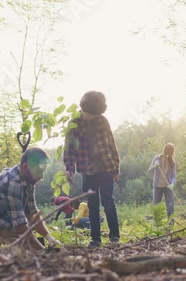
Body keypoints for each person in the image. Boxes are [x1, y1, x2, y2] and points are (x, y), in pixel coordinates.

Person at [63, 90, 121, 248]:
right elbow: (69, 147)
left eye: (96, 115)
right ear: (84, 108)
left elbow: (111, 145)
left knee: (108, 202)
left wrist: (116, 168)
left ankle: (114, 237)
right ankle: (95, 239)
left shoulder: (103, 121)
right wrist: (69, 168)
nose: (93, 118)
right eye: (90, 115)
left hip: (106, 168)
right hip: (87, 170)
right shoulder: (74, 122)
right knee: (92, 205)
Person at [148, 143, 176, 219]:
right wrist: (154, 166)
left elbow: (173, 176)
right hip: (157, 187)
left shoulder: (172, 162)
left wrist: (172, 184)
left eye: (171, 152)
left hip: (168, 187)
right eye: (168, 152)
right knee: (156, 207)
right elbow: (149, 170)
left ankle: (170, 225)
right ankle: (157, 226)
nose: (169, 154)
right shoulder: (156, 158)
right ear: (165, 151)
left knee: (170, 206)